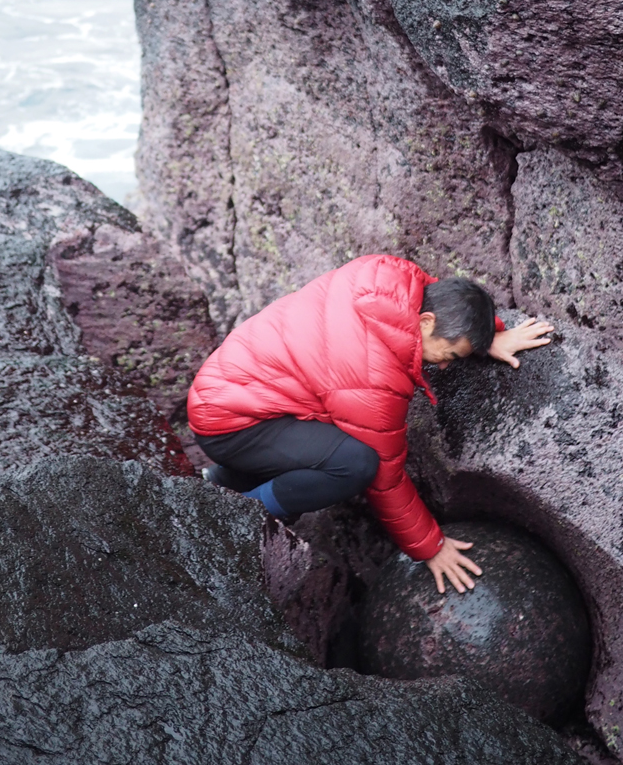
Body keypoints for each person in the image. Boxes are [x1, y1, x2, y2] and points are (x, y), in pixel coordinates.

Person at [188, 254, 553, 594]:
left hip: (229, 388)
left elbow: (443, 291)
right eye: (452, 354)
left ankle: (220, 483)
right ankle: (236, 516)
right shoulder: (376, 373)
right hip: (229, 424)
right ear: (426, 323)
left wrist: (487, 336)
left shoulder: (391, 275)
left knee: (328, 437)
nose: (444, 366)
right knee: (355, 463)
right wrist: (430, 547)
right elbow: (385, 477)